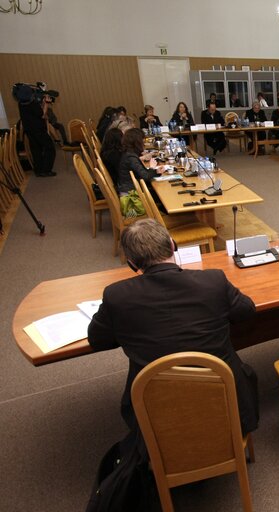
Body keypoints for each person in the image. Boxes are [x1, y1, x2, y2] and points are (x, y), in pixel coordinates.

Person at [87, 219, 260, 434]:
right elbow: (246, 311)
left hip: (156, 417)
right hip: (228, 407)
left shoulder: (116, 296)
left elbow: (97, 340)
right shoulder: (213, 281)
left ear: (132, 264)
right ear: (173, 245)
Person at [18, 94, 56, 177]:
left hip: (29, 131)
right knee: (50, 148)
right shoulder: (32, 104)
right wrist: (46, 103)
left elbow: (35, 113)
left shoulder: (20, 104)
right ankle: (46, 170)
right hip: (39, 130)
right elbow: (42, 114)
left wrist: (41, 103)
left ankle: (39, 171)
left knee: (36, 151)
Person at [116, 128, 157, 195]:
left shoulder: (128, 153)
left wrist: (157, 171)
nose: (144, 144)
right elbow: (146, 176)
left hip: (130, 188)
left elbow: (143, 173)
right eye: (143, 142)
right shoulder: (131, 157)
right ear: (137, 142)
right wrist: (152, 167)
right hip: (131, 194)